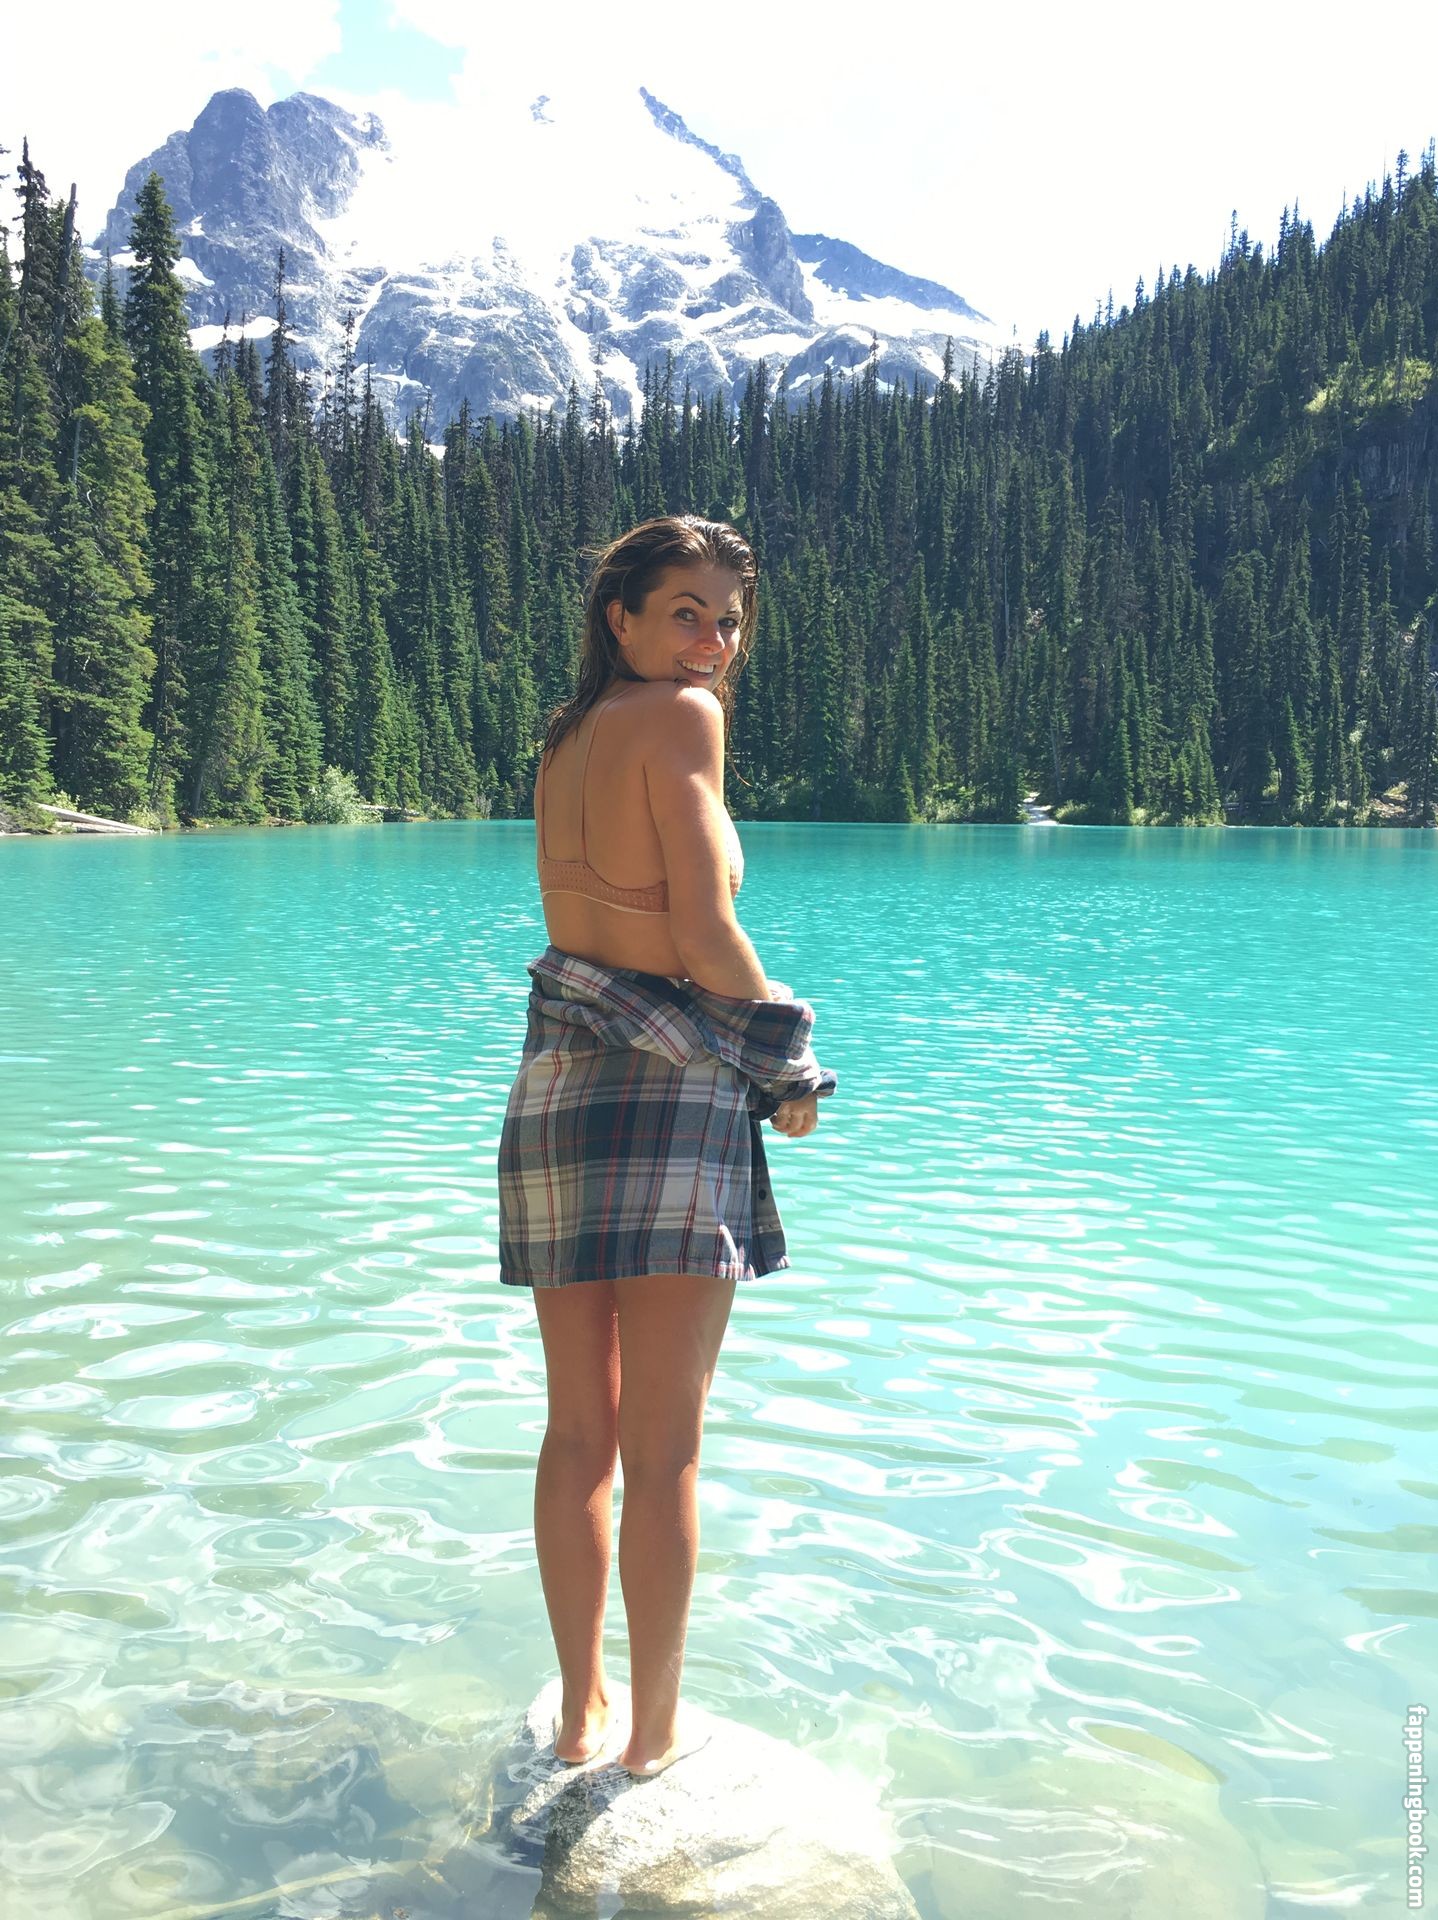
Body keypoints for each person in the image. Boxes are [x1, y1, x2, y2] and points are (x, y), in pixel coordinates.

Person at [496, 515, 837, 1779]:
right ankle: (650, 1738)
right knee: (664, 1446)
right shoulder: (683, 719)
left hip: (555, 1088)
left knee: (575, 1432)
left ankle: (577, 1714)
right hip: (665, 1096)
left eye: (729, 620)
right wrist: (787, 1061)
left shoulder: (568, 739)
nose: (712, 642)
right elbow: (700, 932)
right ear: (621, 618)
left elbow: (592, 927)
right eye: (685, 612)